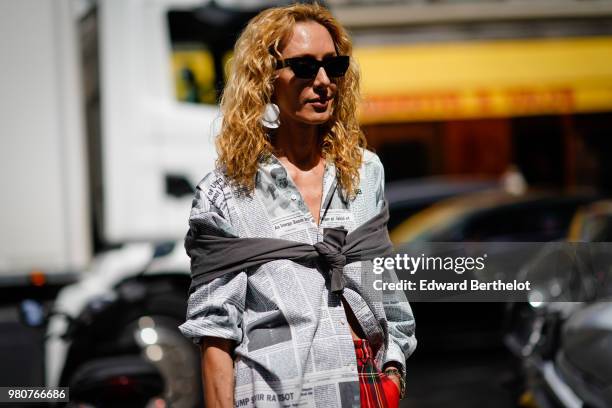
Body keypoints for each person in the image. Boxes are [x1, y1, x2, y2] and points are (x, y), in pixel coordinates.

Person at [179, 4, 416, 407]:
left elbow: (386, 291)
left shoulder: (363, 173)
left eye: (333, 65)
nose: (324, 81)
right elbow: (215, 333)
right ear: (266, 78)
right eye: (304, 66)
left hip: (367, 392)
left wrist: (392, 373)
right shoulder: (226, 192)